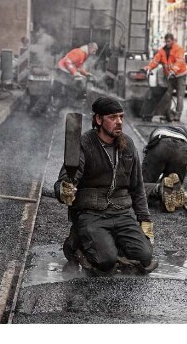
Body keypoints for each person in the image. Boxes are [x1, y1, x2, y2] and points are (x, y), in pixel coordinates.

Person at [54, 96, 158, 276]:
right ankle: (75, 244)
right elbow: (67, 178)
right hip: (92, 214)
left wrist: (145, 219)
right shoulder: (85, 143)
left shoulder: (128, 145)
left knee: (145, 255)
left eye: (121, 117)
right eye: (112, 117)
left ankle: (109, 243)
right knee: (105, 261)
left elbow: (137, 186)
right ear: (98, 119)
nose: (119, 122)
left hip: (121, 214)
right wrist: (65, 189)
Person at [142, 124, 187, 212]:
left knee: (141, 185)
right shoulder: (186, 137)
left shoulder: (159, 129)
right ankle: (174, 187)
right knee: (172, 182)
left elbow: (148, 153)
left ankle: (159, 189)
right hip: (182, 150)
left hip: (160, 144)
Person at [143, 33, 187, 122]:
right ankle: (168, 114)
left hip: (180, 75)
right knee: (167, 95)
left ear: (172, 41)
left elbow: (179, 61)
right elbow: (155, 61)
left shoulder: (178, 49)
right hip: (169, 76)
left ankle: (178, 115)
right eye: (166, 41)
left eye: (169, 41)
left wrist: (173, 70)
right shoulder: (162, 51)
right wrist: (149, 67)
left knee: (180, 96)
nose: (167, 43)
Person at [52, 42, 98, 111]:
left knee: (70, 91)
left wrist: (85, 73)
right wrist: (74, 72)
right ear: (90, 48)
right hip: (62, 71)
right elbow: (67, 61)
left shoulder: (84, 54)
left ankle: (64, 107)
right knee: (68, 90)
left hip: (66, 73)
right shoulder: (79, 53)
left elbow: (79, 67)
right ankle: (60, 108)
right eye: (94, 51)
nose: (94, 53)